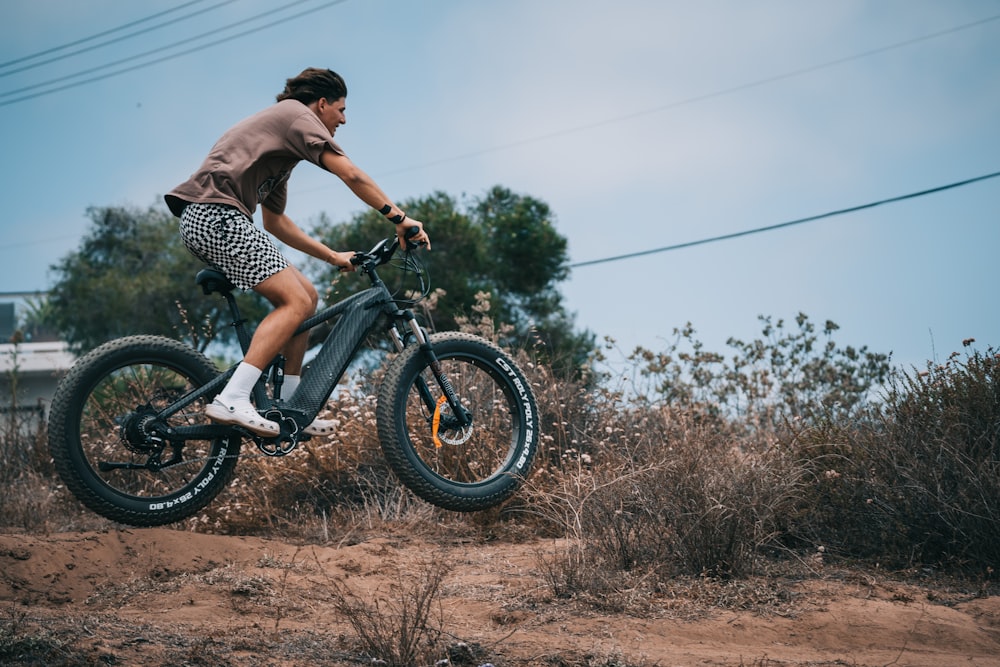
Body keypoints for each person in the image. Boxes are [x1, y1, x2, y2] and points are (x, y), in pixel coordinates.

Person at [165, 67, 430, 437]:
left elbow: (275, 222)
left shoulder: (282, 149)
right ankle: (234, 397)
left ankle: (291, 406)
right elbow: (350, 173)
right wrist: (398, 218)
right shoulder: (297, 116)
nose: (344, 119)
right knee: (295, 302)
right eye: (340, 109)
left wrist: (333, 256)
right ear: (321, 105)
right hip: (216, 215)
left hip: (211, 217)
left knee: (307, 296)